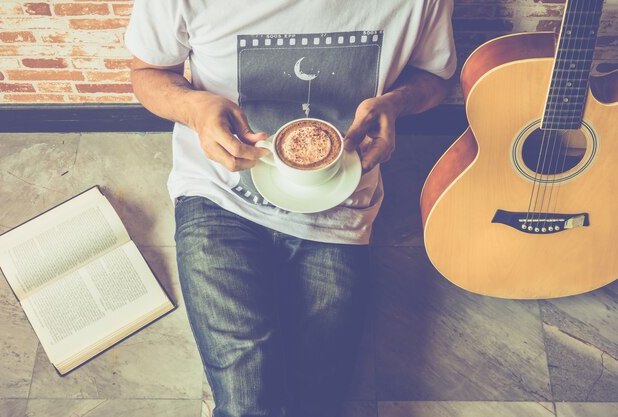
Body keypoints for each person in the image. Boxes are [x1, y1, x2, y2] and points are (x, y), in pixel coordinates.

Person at [125, 1, 456, 416]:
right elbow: (148, 72)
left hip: (339, 202)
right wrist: (195, 108)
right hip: (219, 193)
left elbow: (435, 77)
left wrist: (396, 104)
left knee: (319, 397)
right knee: (248, 403)